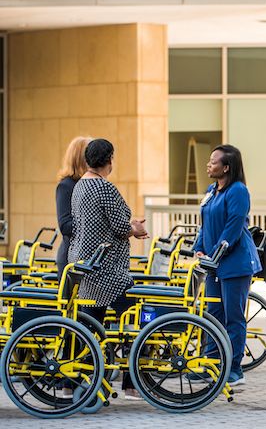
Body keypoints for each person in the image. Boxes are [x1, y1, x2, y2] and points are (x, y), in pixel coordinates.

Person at [68, 138, 148, 400]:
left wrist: (128, 224)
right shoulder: (104, 187)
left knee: (89, 327)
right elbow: (119, 226)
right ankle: (131, 383)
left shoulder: (80, 186)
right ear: (110, 159)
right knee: (135, 318)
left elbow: (100, 222)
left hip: (84, 265)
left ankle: (75, 382)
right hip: (107, 270)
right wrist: (135, 228)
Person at [192, 144, 262, 386]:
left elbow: (232, 228)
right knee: (213, 315)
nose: (208, 165)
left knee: (233, 317)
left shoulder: (238, 191)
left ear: (226, 167)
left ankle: (233, 369)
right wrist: (199, 248)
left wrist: (214, 253)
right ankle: (211, 365)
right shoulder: (212, 190)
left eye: (213, 161)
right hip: (213, 264)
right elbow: (204, 224)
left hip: (235, 264)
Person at [55, 136, 92, 277]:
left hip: (88, 259)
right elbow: (65, 225)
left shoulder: (90, 184)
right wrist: (95, 224)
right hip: (71, 260)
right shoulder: (66, 186)